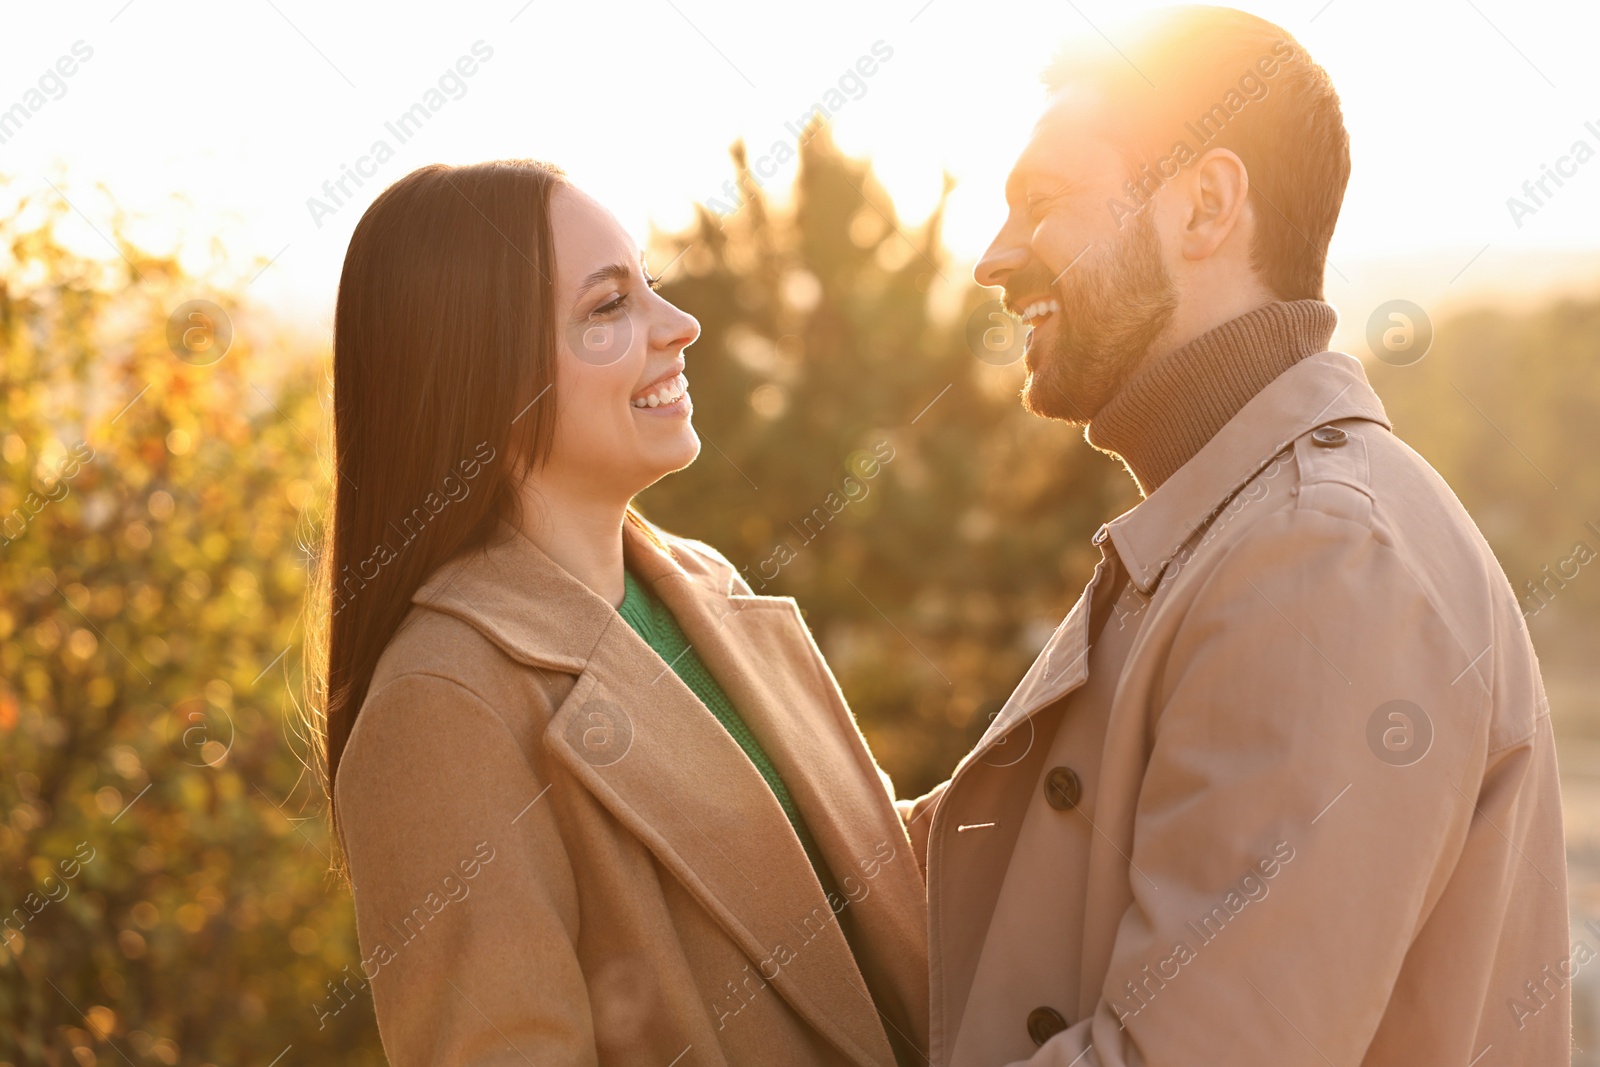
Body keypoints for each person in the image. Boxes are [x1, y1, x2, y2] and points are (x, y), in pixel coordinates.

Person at [900, 7, 1569, 1064]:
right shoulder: (1229, 522)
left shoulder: (1317, 559)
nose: (994, 257)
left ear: (1203, 206)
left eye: (1041, 201)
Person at [308, 159, 927, 1066]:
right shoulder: (442, 704)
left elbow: (859, 887)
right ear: (485, 371)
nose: (681, 327)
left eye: (652, 288)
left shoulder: (701, 586)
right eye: (610, 308)